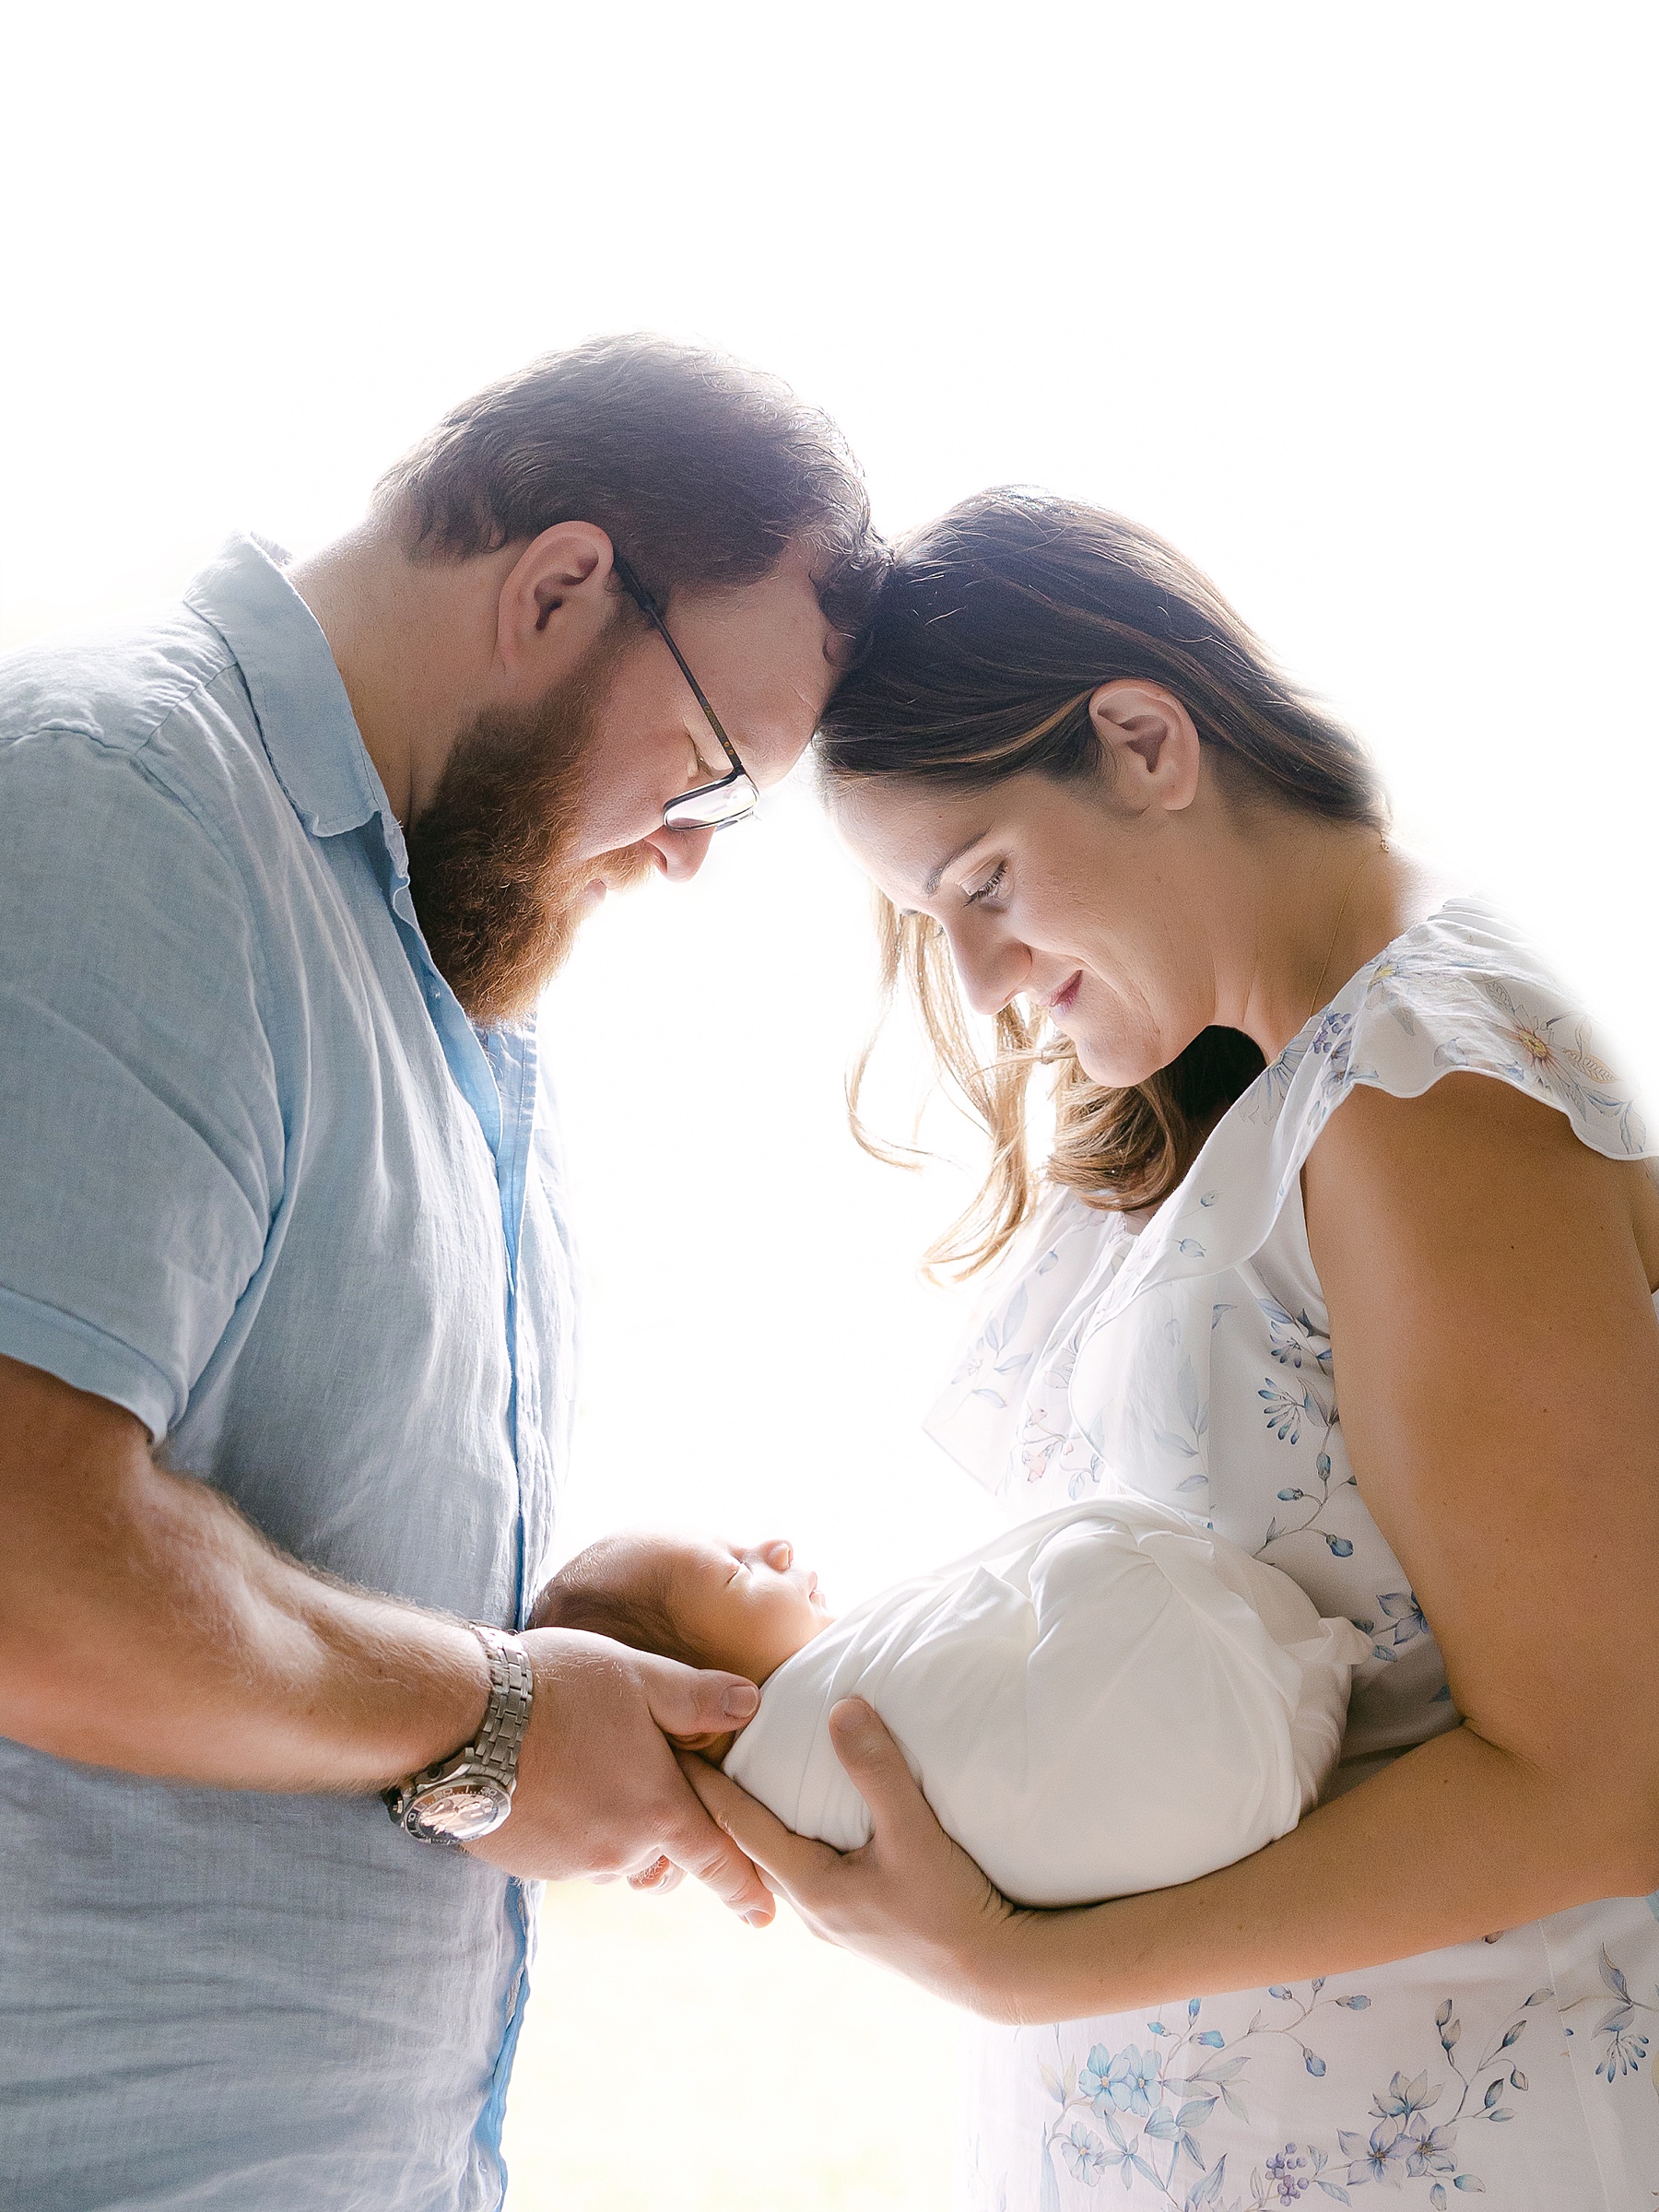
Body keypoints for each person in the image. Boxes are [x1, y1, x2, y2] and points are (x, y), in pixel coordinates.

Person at [685, 490, 1659, 2208]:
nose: (979, 977)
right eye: (934, 921)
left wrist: (1014, 1967)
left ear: (1143, 743)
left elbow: (1605, 1777)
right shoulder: (1261, 1103)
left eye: (982, 883)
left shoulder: (1423, 1089)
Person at [0, 335, 883, 2212]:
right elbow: (22, 1563)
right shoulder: (117, 813)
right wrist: (492, 1714)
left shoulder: (440, 980)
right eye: (714, 778)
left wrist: (571, 1627)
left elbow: (273, 1567)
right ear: (561, 588)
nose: (689, 857)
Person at [536, 1509, 1366, 1908]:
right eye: (734, 1572)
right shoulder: (813, 1735)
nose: (776, 1547)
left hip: (1257, 1797)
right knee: (1085, 1554)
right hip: (1234, 1735)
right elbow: (979, 1621)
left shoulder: (800, 1830)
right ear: (699, 1713)